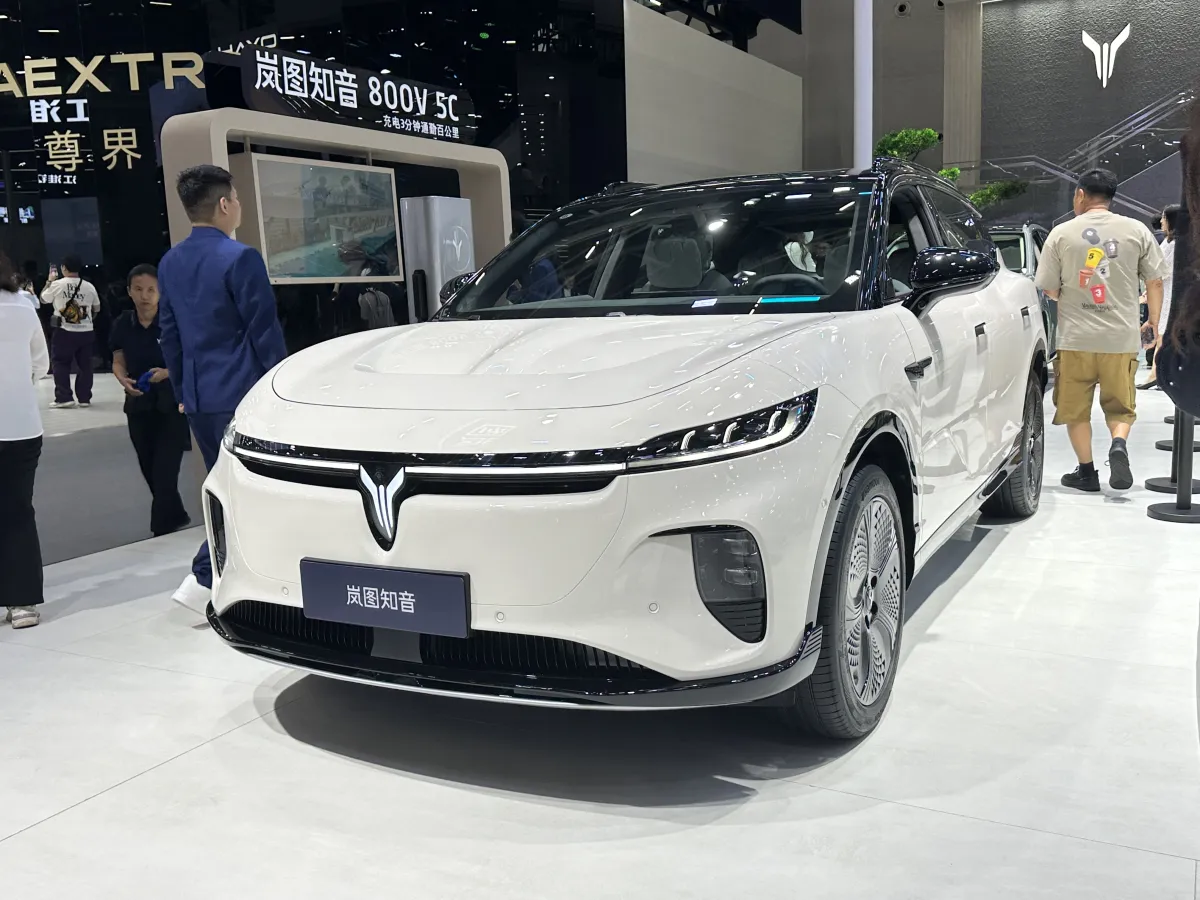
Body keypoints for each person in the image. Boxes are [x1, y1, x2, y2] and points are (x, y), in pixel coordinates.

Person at [158, 164, 288, 615]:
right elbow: (264, 331)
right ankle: (202, 578)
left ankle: (223, 577)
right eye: (237, 199)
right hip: (243, 394)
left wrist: (182, 390)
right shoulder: (240, 258)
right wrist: (280, 389)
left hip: (199, 397)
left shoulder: (170, 262)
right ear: (224, 204)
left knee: (227, 484)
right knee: (240, 490)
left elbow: (169, 335)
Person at [1035, 168, 1168, 492]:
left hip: (1076, 338)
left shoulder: (1061, 233)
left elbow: (1049, 288)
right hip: (1120, 338)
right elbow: (1155, 281)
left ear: (1080, 195)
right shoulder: (1136, 230)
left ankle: (1087, 472)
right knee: (1120, 405)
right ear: (1111, 197)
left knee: (1075, 409)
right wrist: (1153, 322)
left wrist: (1070, 294)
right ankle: (1118, 444)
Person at [110, 264, 192, 537]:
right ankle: (176, 515)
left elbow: (190, 359)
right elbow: (118, 358)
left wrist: (167, 373)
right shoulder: (123, 323)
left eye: (151, 290)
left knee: (165, 471)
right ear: (129, 291)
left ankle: (161, 529)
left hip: (171, 405)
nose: (145, 296)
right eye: (138, 289)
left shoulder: (174, 322)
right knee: (149, 467)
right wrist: (122, 378)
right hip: (138, 404)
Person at [0, 252, 50, 628]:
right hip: (21, 427)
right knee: (18, 512)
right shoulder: (23, 306)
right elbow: (40, 364)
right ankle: (22, 602)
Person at [40, 255, 101, 409]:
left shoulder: (57, 284)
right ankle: (84, 398)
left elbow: (43, 299)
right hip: (86, 331)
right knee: (85, 365)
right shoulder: (89, 286)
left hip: (64, 331)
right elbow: (97, 308)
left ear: (64, 268)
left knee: (61, 363)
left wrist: (49, 281)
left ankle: (64, 397)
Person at [1138, 204, 1181, 390]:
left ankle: (1156, 375)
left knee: (1162, 335)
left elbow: (1163, 270)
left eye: (1164, 217)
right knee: (1162, 336)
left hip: (1169, 292)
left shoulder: (1176, 244)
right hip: (1164, 290)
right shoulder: (1169, 242)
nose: (1161, 221)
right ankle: (1157, 375)